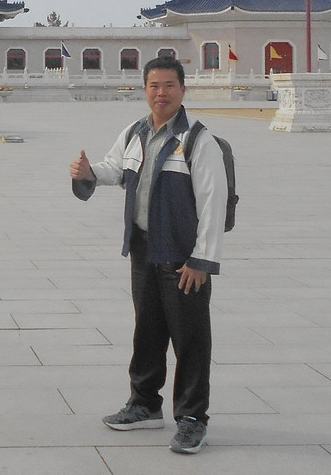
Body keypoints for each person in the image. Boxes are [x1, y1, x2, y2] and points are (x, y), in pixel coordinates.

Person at [69, 56, 227, 455]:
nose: (161, 93)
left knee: (190, 339)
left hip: (181, 256)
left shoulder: (198, 140)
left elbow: (213, 203)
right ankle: (144, 404)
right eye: (154, 86)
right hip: (144, 249)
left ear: (183, 90)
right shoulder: (135, 132)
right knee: (148, 331)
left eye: (169, 86)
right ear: (145, 90)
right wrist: (88, 172)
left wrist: (201, 261)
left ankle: (192, 419)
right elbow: (116, 168)